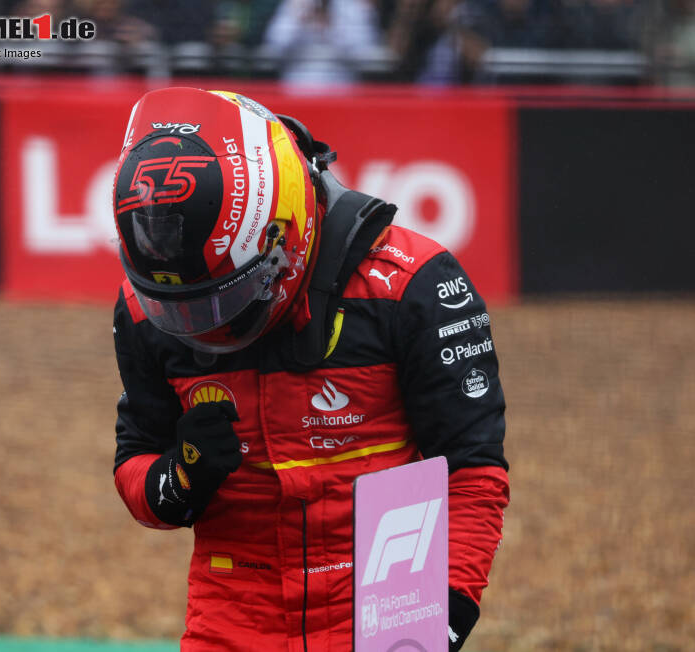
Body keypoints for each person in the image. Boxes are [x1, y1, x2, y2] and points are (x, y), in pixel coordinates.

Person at [110, 86, 510, 651]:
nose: (205, 322)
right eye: (184, 306)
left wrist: (441, 619)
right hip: (233, 614)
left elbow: (472, 470)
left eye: (224, 296)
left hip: (388, 603)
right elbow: (135, 464)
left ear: (284, 234)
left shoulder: (415, 285)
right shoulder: (142, 313)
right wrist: (179, 478)